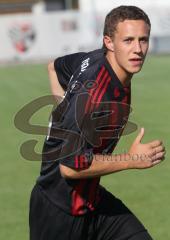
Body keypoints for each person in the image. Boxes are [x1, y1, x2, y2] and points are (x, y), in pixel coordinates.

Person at [29, 5, 165, 240]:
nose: (138, 49)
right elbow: (70, 166)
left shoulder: (94, 60)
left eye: (143, 40)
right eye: (128, 40)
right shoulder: (94, 96)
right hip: (58, 210)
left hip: (92, 201)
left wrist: (62, 116)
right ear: (109, 42)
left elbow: (54, 67)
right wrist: (131, 160)